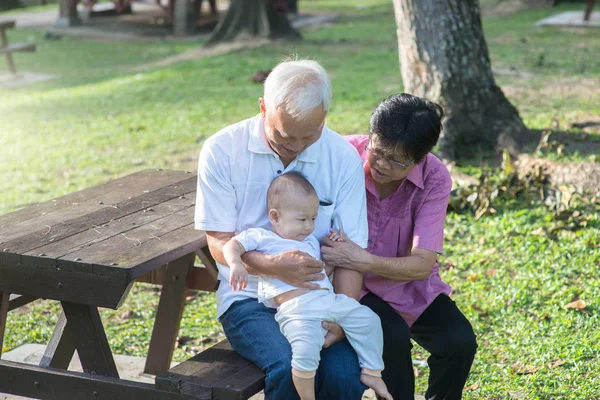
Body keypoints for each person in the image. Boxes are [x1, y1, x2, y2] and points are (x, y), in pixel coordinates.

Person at [194, 59, 370, 399]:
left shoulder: (343, 157)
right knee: (290, 366)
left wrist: (341, 314)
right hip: (249, 300)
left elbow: (350, 255)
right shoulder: (222, 150)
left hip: (321, 297)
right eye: (285, 136)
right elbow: (218, 240)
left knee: (346, 376)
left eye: (311, 135)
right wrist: (272, 266)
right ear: (263, 107)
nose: (297, 147)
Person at [321, 93, 478, 400]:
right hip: (352, 284)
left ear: (419, 159)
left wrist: (361, 259)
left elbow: (421, 265)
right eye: (377, 151)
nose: (380, 164)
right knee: (391, 336)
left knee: (459, 342)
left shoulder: (434, 177)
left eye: (396, 160)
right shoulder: (342, 155)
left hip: (405, 282)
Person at [223, 172, 392, 400]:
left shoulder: (310, 242)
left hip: (329, 302)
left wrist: (334, 252)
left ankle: (372, 371)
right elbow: (232, 244)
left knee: (368, 319)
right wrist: (236, 264)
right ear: (274, 216)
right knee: (305, 353)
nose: (309, 226)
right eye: (302, 220)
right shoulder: (262, 238)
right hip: (297, 311)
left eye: (313, 219)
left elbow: (321, 272)